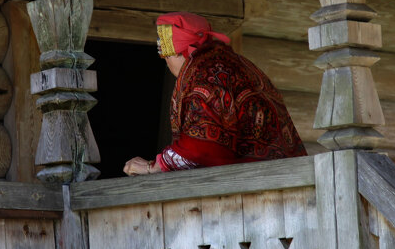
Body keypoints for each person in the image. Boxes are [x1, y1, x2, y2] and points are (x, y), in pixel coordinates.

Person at [123, 12, 306, 175]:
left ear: (177, 50)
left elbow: (201, 149)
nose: (164, 60)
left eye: (162, 51)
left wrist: (153, 166)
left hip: (259, 187)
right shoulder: (231, 63)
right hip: (286, 175)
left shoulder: (204, 77)